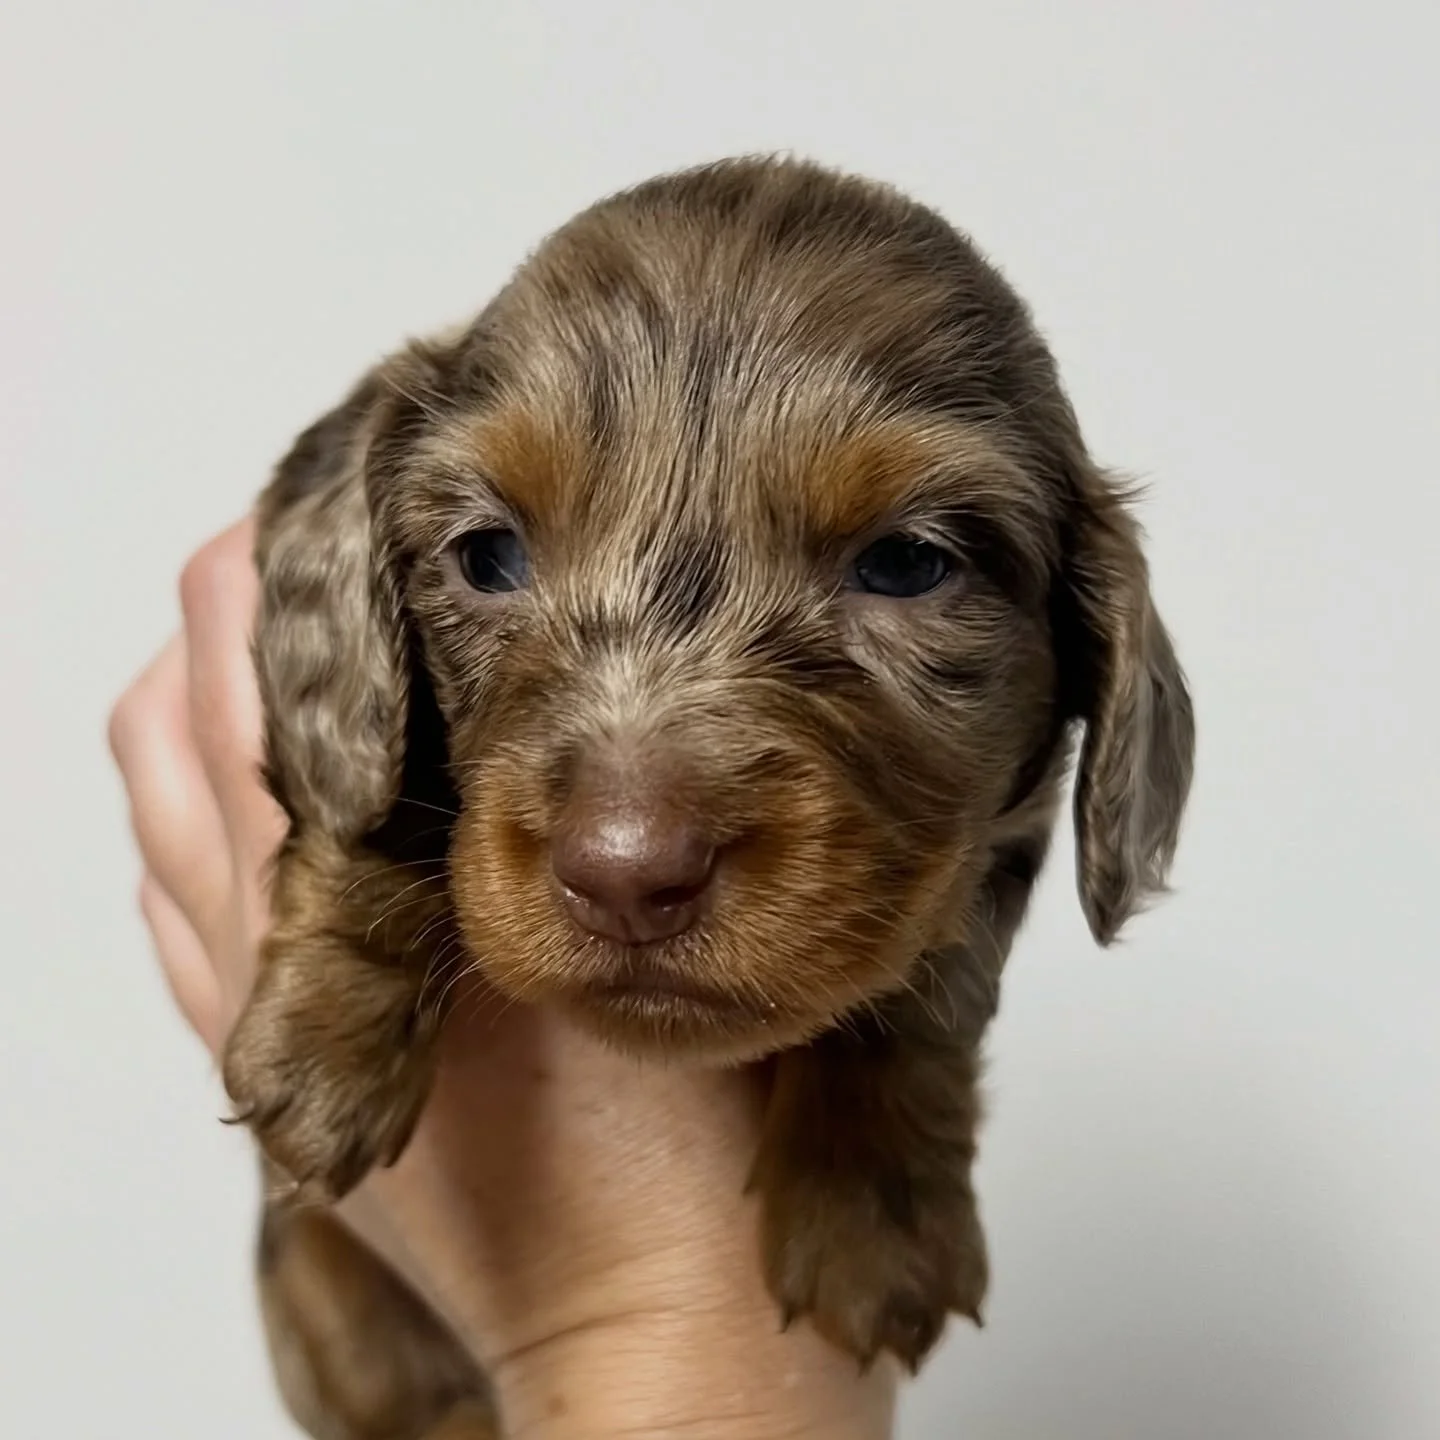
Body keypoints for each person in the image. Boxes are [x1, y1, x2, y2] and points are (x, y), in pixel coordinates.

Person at [108, 517, 896, 1438]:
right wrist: (361, 933)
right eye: (498, 562)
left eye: (898, 565)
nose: (628, 848)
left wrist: (622, 1320)